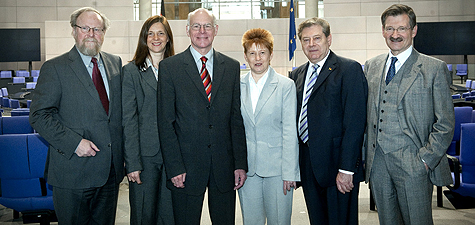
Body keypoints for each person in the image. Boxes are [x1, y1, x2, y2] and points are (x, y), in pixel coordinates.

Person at [29, 7, 124, 224]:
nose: (92, 33)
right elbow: (39, 115)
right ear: (74, 31)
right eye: (85, 28)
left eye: (97, 29)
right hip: (73, 172)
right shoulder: (55, 68)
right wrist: (74, 143)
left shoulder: (115, 63)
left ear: (104, 33)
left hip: (109, 174)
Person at [364, 4, 455, 225]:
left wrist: (425, 159)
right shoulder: (371, 66)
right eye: (389, 29)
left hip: (414, 164)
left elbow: (445, 123)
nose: (395, 35)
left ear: (413, 30)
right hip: (378, 165)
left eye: (402, 29)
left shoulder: (434, 69)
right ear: (383, 31)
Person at [157, 8, 248, 225]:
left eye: (207, 26)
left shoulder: (232, 67)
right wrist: (175, 167)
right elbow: (165, 123)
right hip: (185, 169)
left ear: (215, 30)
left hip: (224, 167)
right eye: (196, 26)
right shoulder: (170, 68)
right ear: (188, 30)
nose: (202, 31)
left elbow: (236, 120)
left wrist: (240, 164)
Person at [289, 17, 367, 225]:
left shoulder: (348, 70)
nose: (311, 44)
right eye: (306, 40)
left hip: (338, 169)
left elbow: (355, 122)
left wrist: (347, 169)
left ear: (328, 39)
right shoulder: (296, 75)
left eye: (317, 38)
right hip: (308, 166)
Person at [238, 28, 300, 225]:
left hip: (278, 170)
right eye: (252, 53)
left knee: (279, 221)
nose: (258, 58)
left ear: (271, 54)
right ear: (245, 56)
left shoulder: (285, 86)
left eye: (262, 52)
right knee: (251, 222)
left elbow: (290, 131)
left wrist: (290, 172)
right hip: (247, 170)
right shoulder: (236, 85)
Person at [122, 15, 175, 225]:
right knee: (144, 216)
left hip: (172, 158)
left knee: (170, 216)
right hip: (144, 159)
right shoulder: (131, 71)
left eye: (161, 33)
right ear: (144, 38)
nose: (156, 38)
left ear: (168, 38)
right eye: (150, 33)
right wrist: (132, 162)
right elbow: (129, 120)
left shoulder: (177, 70)